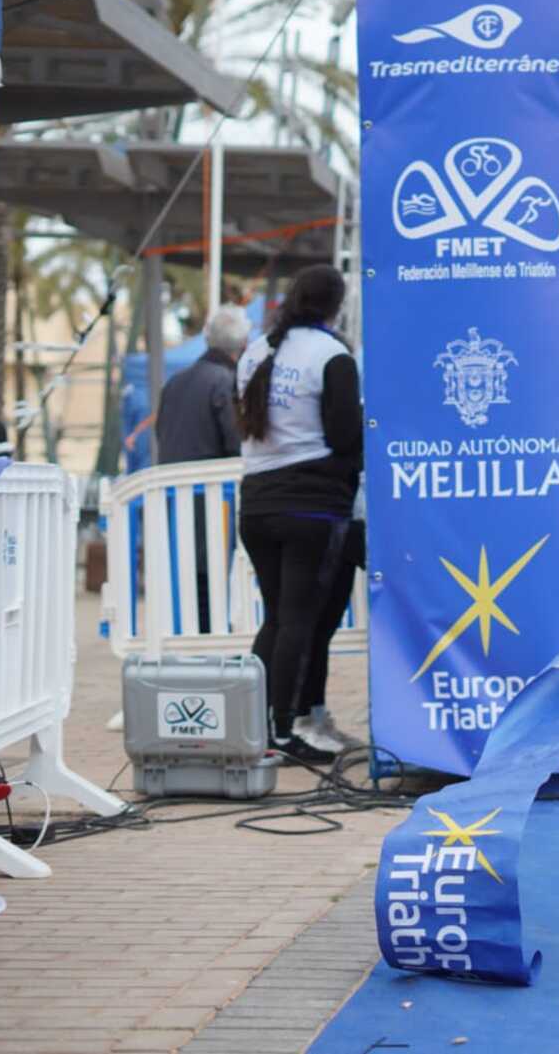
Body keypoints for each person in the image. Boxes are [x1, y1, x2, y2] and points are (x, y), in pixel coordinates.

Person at [235, 266, 363, 761]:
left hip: (258, 501)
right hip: (311, 506)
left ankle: (255, 723)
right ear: (335, 306)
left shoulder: (256, 351)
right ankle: (286, 732)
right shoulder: (332, 355)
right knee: (301, 622)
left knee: (277, 620)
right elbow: (345, 435)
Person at [157, 305, 251, 632]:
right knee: (209, 576)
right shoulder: (226, 383)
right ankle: (209, 643)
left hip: (172, 495)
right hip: (212, 497)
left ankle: (190, 640)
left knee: (186, 575)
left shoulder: (175, 383)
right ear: (242, 345)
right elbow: (237, 443)